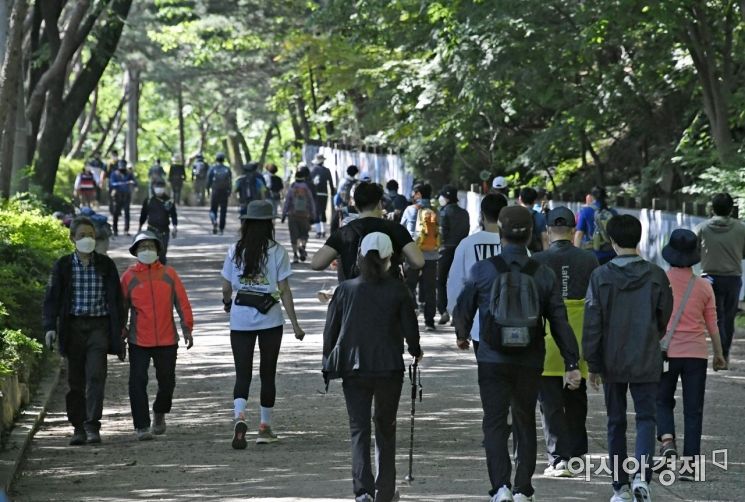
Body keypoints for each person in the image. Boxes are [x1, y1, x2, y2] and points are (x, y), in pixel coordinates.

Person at [453, 205, 582, 502]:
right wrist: (571, 361)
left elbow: (464, 306)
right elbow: (559, 320)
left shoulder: (483, 269)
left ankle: (500, 487)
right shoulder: (543, 273)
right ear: (531, 236)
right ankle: (524, 488)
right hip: (529, 357)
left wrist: (461, 335)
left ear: (501, 231)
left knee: (495, 421)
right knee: (525, 419)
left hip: (491, 358)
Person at [322, 232, 422, 502]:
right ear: (390, 258)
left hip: (354, 369)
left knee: (359, 429)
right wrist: (415, 350)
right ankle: (385, 491)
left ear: (360, 257)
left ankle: (363, 491)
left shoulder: (345, 289)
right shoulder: (398, 290)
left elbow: (330, 331)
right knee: (385, 427)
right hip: (389, 368)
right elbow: (410, 330)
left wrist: (327, 363)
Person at [583, 214, 673, 502]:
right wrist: (649, 336)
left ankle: (619, 486)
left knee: (615, 421)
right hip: (646, 356)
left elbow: (592, 322)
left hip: (612, 357)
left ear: (611, 241)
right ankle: (642, 479)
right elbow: (664, 316)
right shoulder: (657, 275)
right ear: (639, 238)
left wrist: (593, 363)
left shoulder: (600, 276)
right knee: (647, 418)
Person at [221, 200, 305, 449]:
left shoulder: (234, 250)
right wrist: (296, 325)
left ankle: (239, 416)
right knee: (267, 373)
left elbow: (226, 287)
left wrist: (227, 303)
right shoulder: (277, 251)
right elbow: (285, 290)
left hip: (240, 319)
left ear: (245, 223)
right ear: (269, 223)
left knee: (242, 372)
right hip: (270, 319)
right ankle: (264, 428)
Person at [42, 216, 125, 445]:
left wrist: (119, 330)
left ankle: (92, 426)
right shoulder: (63, 266)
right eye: (82, 235)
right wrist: (50, 327)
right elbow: (52, 299)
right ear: (72, 238)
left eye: (90, 235)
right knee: (75, 381)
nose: (87, 239)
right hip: (73, 328)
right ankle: (77, 426)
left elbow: (117, 301)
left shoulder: (106, 265)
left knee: (96, 376)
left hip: (99, 327)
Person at [531, 207, 599, 477]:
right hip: (579, 337)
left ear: (548, 231)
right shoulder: (589, 259)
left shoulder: (537, 260)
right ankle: (578, 454)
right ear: (573, 231)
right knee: (576, 398)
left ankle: (557, 458)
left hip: (547, 338)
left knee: (549, 401)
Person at [657, 229, 726, 463]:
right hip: (696, 354)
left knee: (661, 398)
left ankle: (667, 440)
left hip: (666, 353)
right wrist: (719, 354)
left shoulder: (660, 282)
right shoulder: (704, 287)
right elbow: (712, 324)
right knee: (693, 409)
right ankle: (691, 464)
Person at [121, 231, 194, 441]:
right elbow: (121, 306)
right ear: (135, 251)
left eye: (150, 246)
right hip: (138, 340)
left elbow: (182, 301)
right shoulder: (129, 276)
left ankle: (160, 412)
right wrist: (121, 332)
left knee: (167, 382)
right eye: (142, 247)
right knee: (137, 381)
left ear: (158, 250)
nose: (147, 251)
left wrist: (187, 327)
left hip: (167, 339)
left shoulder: (169, 274)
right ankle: (142, 425)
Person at [311, 181, 424, 282]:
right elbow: (418, 261)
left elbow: (317, 264)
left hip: (355, 300)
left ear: (355, 205)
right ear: (380, 204)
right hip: (389, 300)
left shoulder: (344, 233)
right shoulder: (396, 229)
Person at [447, 193, 508, 355]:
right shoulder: (516, 246)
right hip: (513, 324)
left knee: (487, 373)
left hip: (478, 324)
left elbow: (455, 283)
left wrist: (459, 322)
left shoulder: (467, 244)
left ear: (482, 214)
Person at [695, 192, 745, 368]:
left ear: (712, 208)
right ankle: (724, 354)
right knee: (729, 317)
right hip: (733, 278)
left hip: (709, 278)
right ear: (731, 209)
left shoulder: (702, 228)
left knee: (716, 318)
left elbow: (694, 251)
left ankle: (719, 354)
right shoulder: (741, 228)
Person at [400, 183, 439, 330]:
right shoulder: (436, 210)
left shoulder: (410, 210)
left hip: (413, 254)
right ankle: (429, 322)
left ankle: (412, 311)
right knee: (430, 289)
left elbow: (401, 228)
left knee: (409, 285)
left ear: (418, 194)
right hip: (432, 255)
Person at [436, 185, 470, 325]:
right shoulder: (464, 213)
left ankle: (444, 311)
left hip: (446, 250)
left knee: (441, 281)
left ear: (447, 197)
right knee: (460, 282)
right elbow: (466, 231)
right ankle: (458, 312)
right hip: (461, 250)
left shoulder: (443, 212)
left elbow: (442, 232)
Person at [574, 186, 618, 264]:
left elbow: (579, 235)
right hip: (611, 255)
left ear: (591, 196)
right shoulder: (613, 212)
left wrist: (575, 255)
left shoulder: (585, 211)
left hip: (591, 256)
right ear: (605, 196)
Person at [139, 179, 178, 265]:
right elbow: (143, 214)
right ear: (154, 187)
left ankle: (161, 274)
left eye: (161, 187)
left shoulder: (169, 201)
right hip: (151, 230)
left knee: (162, 254)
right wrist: (140, 227)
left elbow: (173, 215)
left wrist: (175, 227)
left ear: (164, 188)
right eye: (157, 187)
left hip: (164, 231)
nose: (159, 189)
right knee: (151, 253)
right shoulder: (149, 200)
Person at [282, 165, 316, 263]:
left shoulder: (292, 188)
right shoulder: (307, 189)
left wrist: (284, 214)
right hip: (305, 216)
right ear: (304, 178)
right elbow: (311, 202)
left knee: (294, 235)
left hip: (292, 215)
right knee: (304, 234)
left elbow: (287, 202)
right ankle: (302, 247)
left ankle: (295, 255)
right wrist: (313, 215)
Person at [310, 153, 336, 238]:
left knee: (317, 212)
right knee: (323, 211)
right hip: (324, 193)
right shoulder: (327, 170)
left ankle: (318, 232)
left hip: (315, 193)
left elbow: (310, 183)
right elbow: (331, 183)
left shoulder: (312, 170)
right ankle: (323, 230)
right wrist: (332, 192)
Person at [108, 161, 136, 237]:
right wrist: (124, 183)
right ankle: (115, 230)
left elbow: (134, 182)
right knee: (116, 213)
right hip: (117, 195)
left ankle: (126, 230)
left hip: (126, 195)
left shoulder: (129, 173)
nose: (122, 169)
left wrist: (132, 183)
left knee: (127, 213)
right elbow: (112, 183)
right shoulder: (114, 173)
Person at [207, 152, 232, 235]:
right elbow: (230, 181)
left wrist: (207, 190)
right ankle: (221, 228)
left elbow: (208, 181)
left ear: (216, 159)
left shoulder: (212, 168)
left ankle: (214, 221)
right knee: (223, 210)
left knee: (213, 209)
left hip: (215, 191)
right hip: (224, 192)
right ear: (223, 159)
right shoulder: (227, 169)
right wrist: (229, 191)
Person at [518, 187, 549, 252]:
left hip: (518, 252)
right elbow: (545, 239)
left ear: (520, 199)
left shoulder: (514, 215)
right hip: (535, 253)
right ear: (534, 201)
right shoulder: (540, 217)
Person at [333, 165, 360, 233]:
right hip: (354, 207)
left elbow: (338, 194)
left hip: (342, 206)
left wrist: (336, 204)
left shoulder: (342, 181)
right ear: (356, 173)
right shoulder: (357, 182)